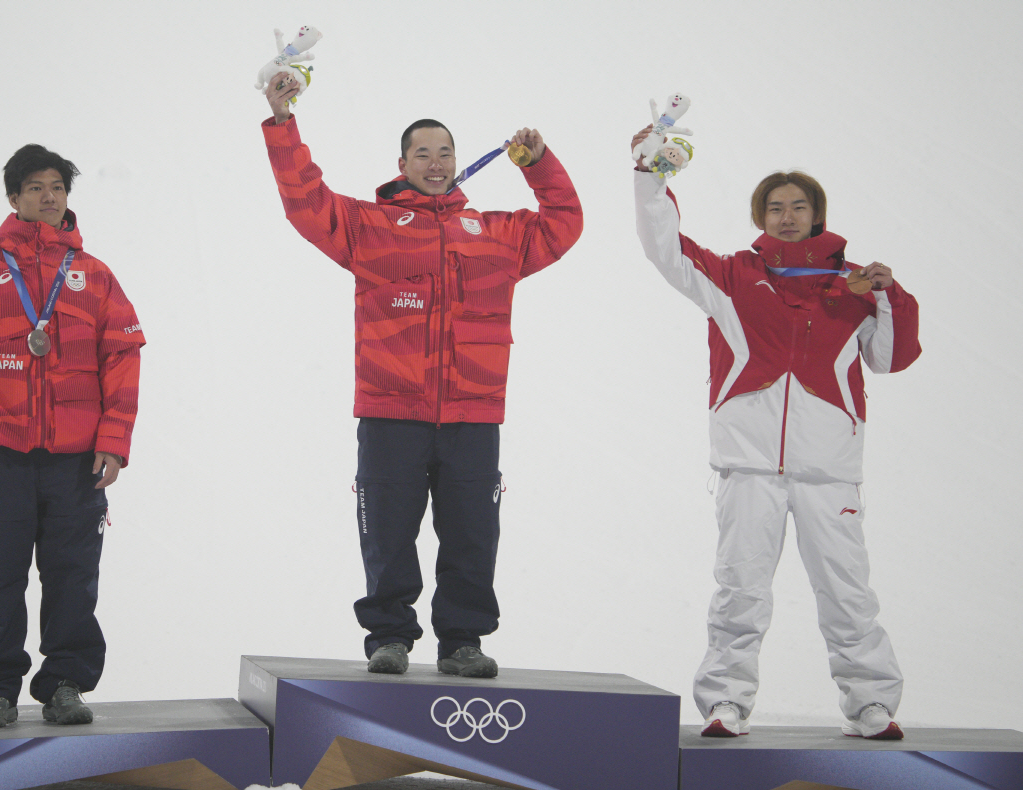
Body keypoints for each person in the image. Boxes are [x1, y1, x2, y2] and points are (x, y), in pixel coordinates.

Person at [262, 75, 582, 677]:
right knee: (388, 534)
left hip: (472, 413)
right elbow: (306, 203)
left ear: (457, 162)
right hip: (390, 412)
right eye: (423, 153)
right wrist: (283, 124)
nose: (436, 163)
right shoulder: (370, 227)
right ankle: (389, 636)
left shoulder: (495, 234)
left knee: (472, 536)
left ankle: (462, 642)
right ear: (402, 164)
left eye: (445, 153)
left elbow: (563, 223)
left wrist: (539, 165)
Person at [632, 125, 920, 739]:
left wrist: (889, 295)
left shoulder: (856, 285)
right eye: (775, 208)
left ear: (817, 214)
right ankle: (726, 702)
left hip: (828, 469)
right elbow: (666, 249)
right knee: (740, 590)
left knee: (847, 592)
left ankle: (871, 703)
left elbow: (890, 359)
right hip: (749, 465)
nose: (787, 218)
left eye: (798, 207)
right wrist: (650, 178)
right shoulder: (733, 277)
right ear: (760, 216)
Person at [0, 144, 145, 728]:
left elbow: (122, 358)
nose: (49, 197)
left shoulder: (95, 276)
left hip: (75, 461)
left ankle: (64, 684)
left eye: (58, 188)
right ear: (14, 197)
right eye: (36, 188)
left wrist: (113, 440)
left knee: (73, 578)